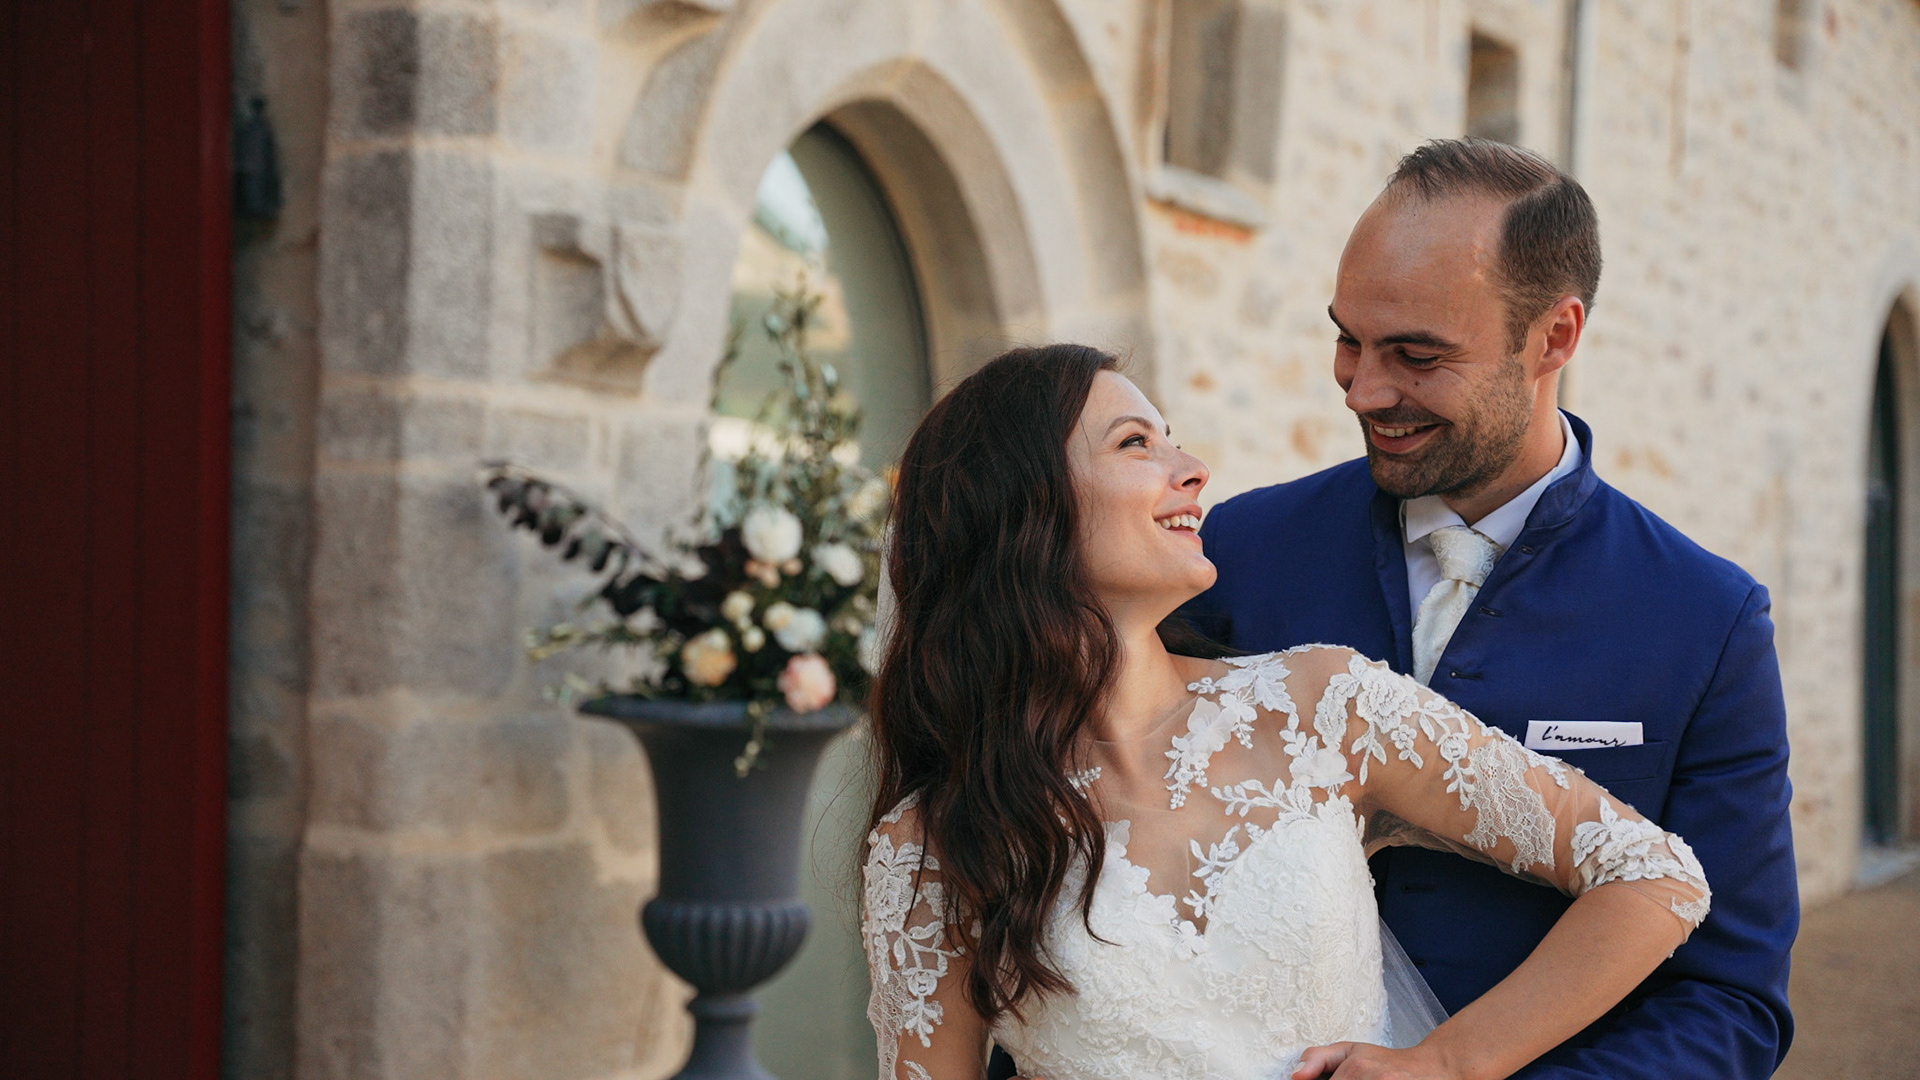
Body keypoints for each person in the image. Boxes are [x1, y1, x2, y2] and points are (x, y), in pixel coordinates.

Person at [861, 343, 1712, 1080]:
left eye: (1172, 438)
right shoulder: (929, 847)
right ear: (1021, 510)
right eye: (1135, 444)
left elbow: (1655, 875)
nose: (1192, 468)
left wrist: (1451, 1062)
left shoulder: (1323, 706)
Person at [1183, 138, 1798, 1078]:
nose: (1363, 389)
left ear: (1555, 337)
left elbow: (1729, 1001)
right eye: (1348, 339)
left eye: (1416, 354)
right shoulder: (1242, 551)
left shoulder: (1706, 621)